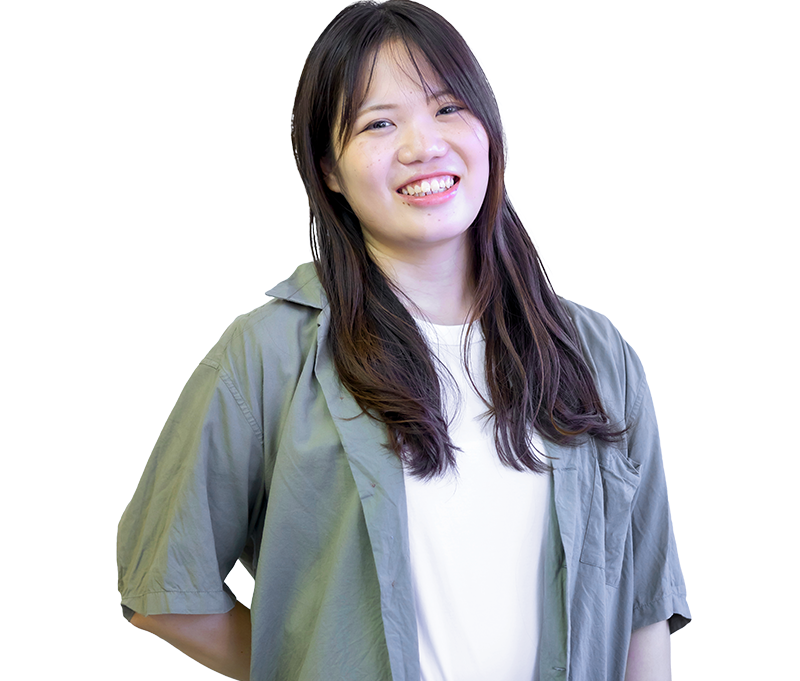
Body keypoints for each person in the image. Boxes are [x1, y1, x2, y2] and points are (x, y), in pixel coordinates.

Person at [117, 1, 691, 680]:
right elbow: (164, 590)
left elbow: (643, 611)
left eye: (448, 108)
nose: (423, 146)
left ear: (489, 130)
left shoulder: (595, 353)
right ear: (329, 169)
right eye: (379, 123)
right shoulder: (269, 354)